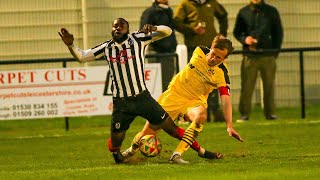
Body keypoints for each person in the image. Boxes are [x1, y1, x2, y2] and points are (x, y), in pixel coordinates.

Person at [58, 18, 217, 164]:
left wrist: (155, 27)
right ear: (112, 29)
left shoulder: (138, 39)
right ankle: (117, 155)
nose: (117, 28)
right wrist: (71, 45)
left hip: (143, 98)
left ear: (128, 29)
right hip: (122, 104)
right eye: (115, 26)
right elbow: (82, 57)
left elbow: (167, 31)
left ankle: (200, 151)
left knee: (171, 128)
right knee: (116, 141)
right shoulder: (107, 47)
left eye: (122, 26)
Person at [123, 35, 243, 164]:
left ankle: (176, 155)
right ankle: (130, 151)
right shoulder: (199, 50)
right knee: (146, 136)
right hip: (173, 96)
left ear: (225, 58)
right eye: (213, 53)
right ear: (211, 48)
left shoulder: (222, 73)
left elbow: (225, 99)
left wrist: (229, 126)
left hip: (194, 101)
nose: (213, 58)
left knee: (201, 116)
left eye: (218, 57)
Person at [173, 0, 229, 123]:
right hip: (194, 49)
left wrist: (222, 34)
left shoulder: (212, 2)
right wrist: (192, 29)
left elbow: (223, 15)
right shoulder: (185, 4)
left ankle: (214, 111)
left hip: (212, 49)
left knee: (213, 81)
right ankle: (195, 112)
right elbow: (176, 22)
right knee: (195, 83)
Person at [233, 0, 283, 122]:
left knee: (269, 86)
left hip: (268, 55)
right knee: (247, 86)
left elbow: (278, 33)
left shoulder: (272, 11)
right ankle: (244, 114)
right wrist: (245, 39)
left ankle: (270, 113)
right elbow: (237, 32)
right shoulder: (243, 12)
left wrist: (275, 52)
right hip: (250, 56)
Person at [140, 0, 178, 92]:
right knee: (157, 85)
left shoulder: (169, 11)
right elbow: (143, 32)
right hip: (157, 53)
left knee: (167, 84)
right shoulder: (150, 12)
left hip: (168, 53)